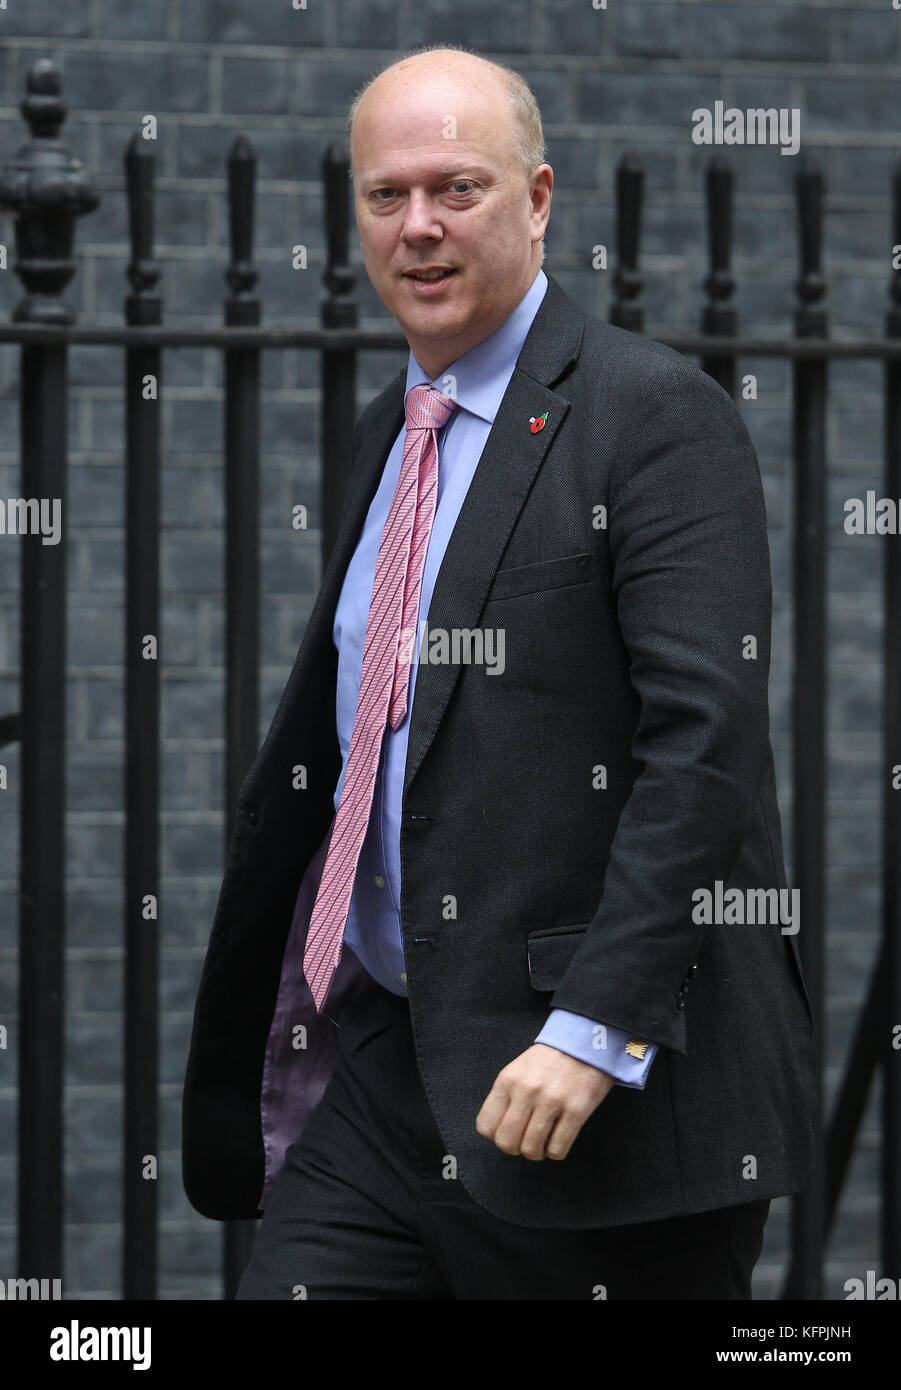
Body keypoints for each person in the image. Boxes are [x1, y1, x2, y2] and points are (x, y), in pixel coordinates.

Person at [182, 44, 817, 1300]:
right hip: (384, 1072)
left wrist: (594, 1031)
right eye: (384, 195)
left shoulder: (652, 414)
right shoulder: (391, 431)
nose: (417, 225)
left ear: (534, 202)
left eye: (455, 189)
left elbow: (705, 745)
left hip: (586, 1105)